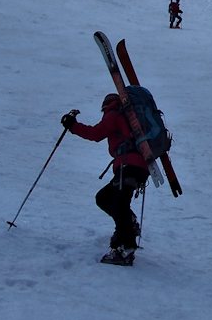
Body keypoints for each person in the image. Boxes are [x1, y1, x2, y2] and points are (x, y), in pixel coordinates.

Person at [62, 94, 149, 262]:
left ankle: (125, 247)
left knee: (117, 202)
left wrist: (72, 126)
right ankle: (128, 226)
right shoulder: (131, 117)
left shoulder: (114, 113)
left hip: (127, 165)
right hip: (139, 167)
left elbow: (95, 133)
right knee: (105, 198)